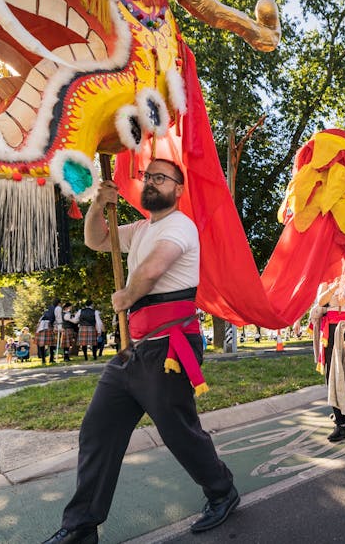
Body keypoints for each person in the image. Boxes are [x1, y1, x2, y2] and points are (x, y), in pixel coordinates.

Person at [43, 159, 237, 543]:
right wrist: (98, 204)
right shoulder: (141, 228)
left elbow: (152, 269)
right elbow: (96, 241)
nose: (151, 181)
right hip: (133, 351)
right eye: (148, 176)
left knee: (179, 432)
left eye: (161, 178)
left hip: (169, 347)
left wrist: (127, 296)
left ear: (178, 190)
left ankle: (222, 491)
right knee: (98, 430)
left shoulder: (180, 226)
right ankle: (81, 526)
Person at [312, 273, 345, 443]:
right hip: (330, 330)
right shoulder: (327, 279)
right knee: (332, 376)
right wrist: (333, 288)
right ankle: (341, 424)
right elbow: (321, 302)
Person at [36, 299, 60, 365]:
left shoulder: (48, 309)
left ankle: (43, 360)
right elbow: (57, 318)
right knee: (52, 344)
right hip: (48, 325)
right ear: (59, 303)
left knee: (42, 344)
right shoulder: (57, 309)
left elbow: (42, 317)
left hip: (41, 325)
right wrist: (56, 326)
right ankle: (51, 359)